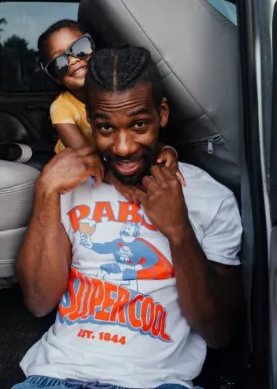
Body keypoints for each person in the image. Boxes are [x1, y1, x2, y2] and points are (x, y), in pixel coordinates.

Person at [14, 46, 244, 389]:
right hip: (58, 374)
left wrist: (178, 229)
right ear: (91, 122)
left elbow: (218, 332)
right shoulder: (70, 189)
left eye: (138, 125)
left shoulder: (212, 199)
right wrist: (46, 191)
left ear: (161, 114)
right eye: (106, 128)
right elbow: (37, 302)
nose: (122, 147)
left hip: (156, 383)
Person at [37, 20, 184, 185]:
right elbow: (86, 155)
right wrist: (120, 186)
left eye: (80, 48)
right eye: (60, 62)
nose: (72, 61)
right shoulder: (61, 107)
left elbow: (138, 139)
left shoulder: (121, 96)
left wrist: (165, 150)